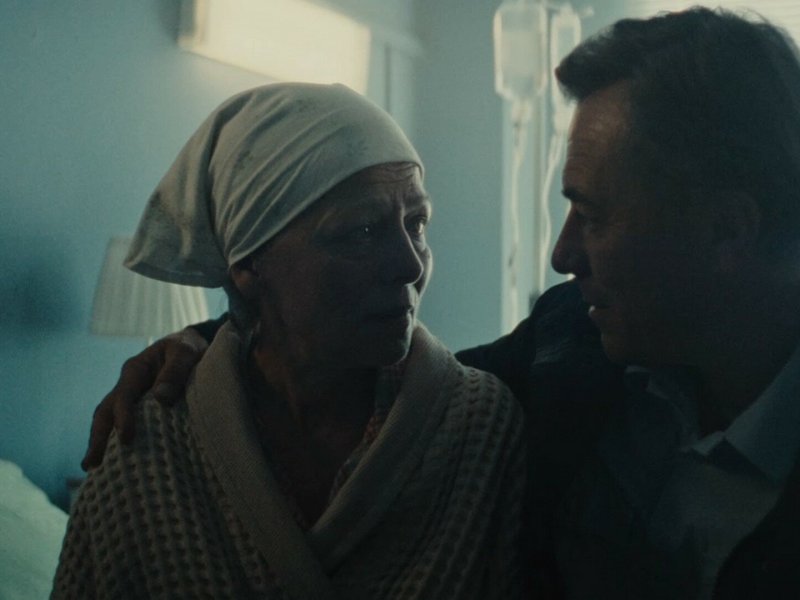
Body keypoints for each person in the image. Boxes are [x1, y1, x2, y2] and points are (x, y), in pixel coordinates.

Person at [81, 6, 800, 598]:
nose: (561, 256)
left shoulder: (524, 402)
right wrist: (210, 345)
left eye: (594, 214)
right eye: (361, 231)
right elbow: (394, 380)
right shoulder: (573, 346)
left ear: (728, 230)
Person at [54, 82, 525, 599]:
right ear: (249, 265)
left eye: (417, 224)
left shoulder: (477, 428)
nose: (410, 265)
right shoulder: (148, 452)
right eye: (361, 233)